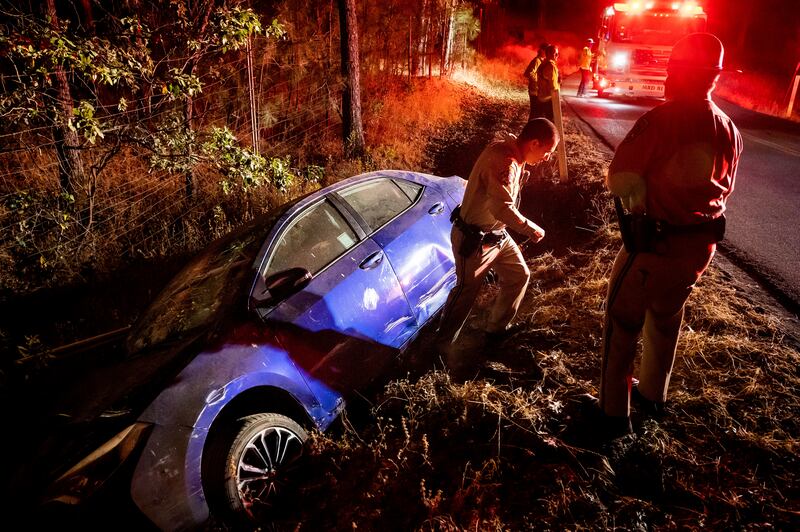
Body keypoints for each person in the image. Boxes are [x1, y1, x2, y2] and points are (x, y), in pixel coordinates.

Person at [596, 33, 743, 437]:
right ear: (714, 78)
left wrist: (639, 194)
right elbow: (724, 188)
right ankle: (653, 397)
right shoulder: (728, 127)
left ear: (676, 72)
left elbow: (619, 178)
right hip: (698, 252)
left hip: (654, 247)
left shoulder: (661, 120)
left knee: (621, 324)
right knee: (665, 318)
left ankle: (612, 416)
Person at [437, 118, 559, 366]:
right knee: (465, 293)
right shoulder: (504, 161)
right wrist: (529, 228)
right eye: (547, 152)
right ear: (534, 143)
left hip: (498, 236)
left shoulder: (515, 156)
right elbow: (501, 207)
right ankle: (441, 347)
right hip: (474, 238)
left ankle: (495, 330)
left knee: (518, 275)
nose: (547, 158)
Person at [523, 43, 548, 120]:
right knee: (535, 113)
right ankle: (530, 129)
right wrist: (538, 82)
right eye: (546, 51)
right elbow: (529, 73)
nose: (547, 53)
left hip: (538, 91)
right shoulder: (537, 61)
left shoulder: (542, 61)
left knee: (537, 112)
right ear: (542, 50)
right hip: (534, 91)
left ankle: (533, 128)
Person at [536, 44, 560, 120]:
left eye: (557, 53)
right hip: (549, 99)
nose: (557, 55)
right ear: (549, 54)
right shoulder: (551, 66)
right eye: (555, 53)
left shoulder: (542, 64)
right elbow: (554, 87)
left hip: (541, 97)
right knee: (551, 122)